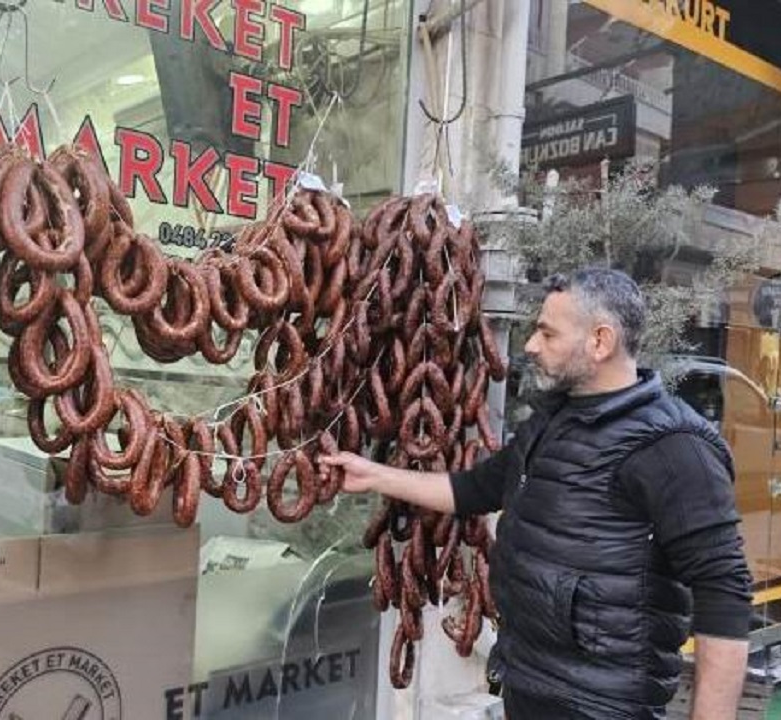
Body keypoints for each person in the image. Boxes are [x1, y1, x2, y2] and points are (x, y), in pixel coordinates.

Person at [322, 268, 752, 719]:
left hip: (600, 706)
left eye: (547, 333)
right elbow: (476, 489)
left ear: (600, 341)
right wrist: (373, 475)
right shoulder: (550, 423)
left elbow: (724, 592)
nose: (530, 345)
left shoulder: (674, 447)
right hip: (527, 684)